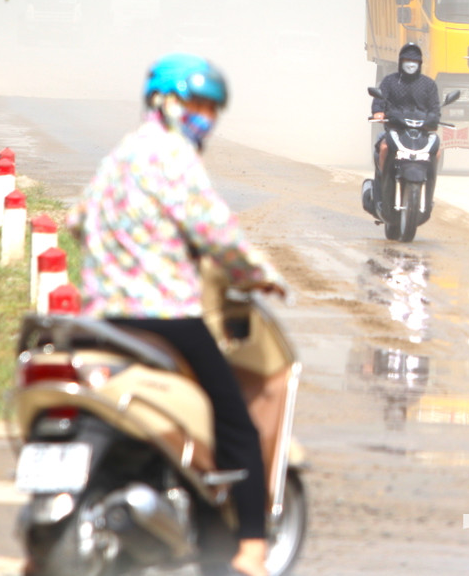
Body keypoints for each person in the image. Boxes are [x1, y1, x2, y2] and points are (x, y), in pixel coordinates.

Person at [67, 53, 286, 576]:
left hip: (99, 319)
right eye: (196, 102)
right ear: (164, 102)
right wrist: (258, 273)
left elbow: (77, 220)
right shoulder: (176, 157)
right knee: (235, 422)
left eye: (211, 105)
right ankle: (252, 547)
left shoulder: (121, 154)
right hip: (163, 317)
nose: (204, 115)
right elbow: (216, 231)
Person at [370, 42, 442, 213]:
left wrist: (433, 121)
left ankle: (430, 183)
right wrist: (378, 112)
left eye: (414, 61)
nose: (411, 64)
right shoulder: (390, 81)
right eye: (407, 60)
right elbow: (379, 101)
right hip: (396, 130)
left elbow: (435, 109)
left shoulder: (428, 85)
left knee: (437, 151)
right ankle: (383, 178)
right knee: (384, 147)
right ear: (401, 61)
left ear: (420, 64)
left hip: (421, 133)